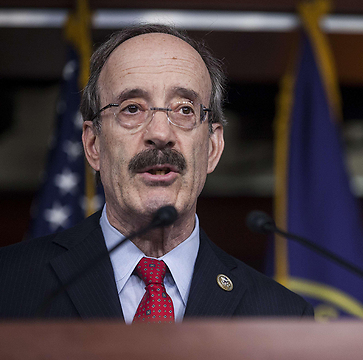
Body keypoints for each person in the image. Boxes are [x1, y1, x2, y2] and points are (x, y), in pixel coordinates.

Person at [0, 24, 312, 322]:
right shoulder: (9, 286)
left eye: (185, 109)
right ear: (93, 144)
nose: (160, 133)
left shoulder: (281, 316)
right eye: (132, 108)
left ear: (213, 148)